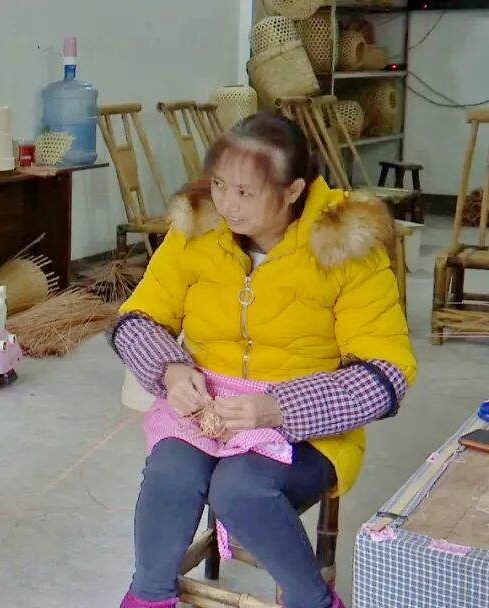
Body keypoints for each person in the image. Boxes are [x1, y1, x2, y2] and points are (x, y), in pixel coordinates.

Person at [110, 112, 416, 608]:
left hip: (307, 423)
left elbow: (386, 373)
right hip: (206, 410)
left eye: (245, 192)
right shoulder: (196, 230)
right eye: (219, 185)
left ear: (293, 190)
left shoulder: (347, 247)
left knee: (240, 488)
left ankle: (313, 600)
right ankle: (148, 595)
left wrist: (278, 407)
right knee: (171, 472)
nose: (226, 204)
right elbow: (137, 318)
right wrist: (171, 369)